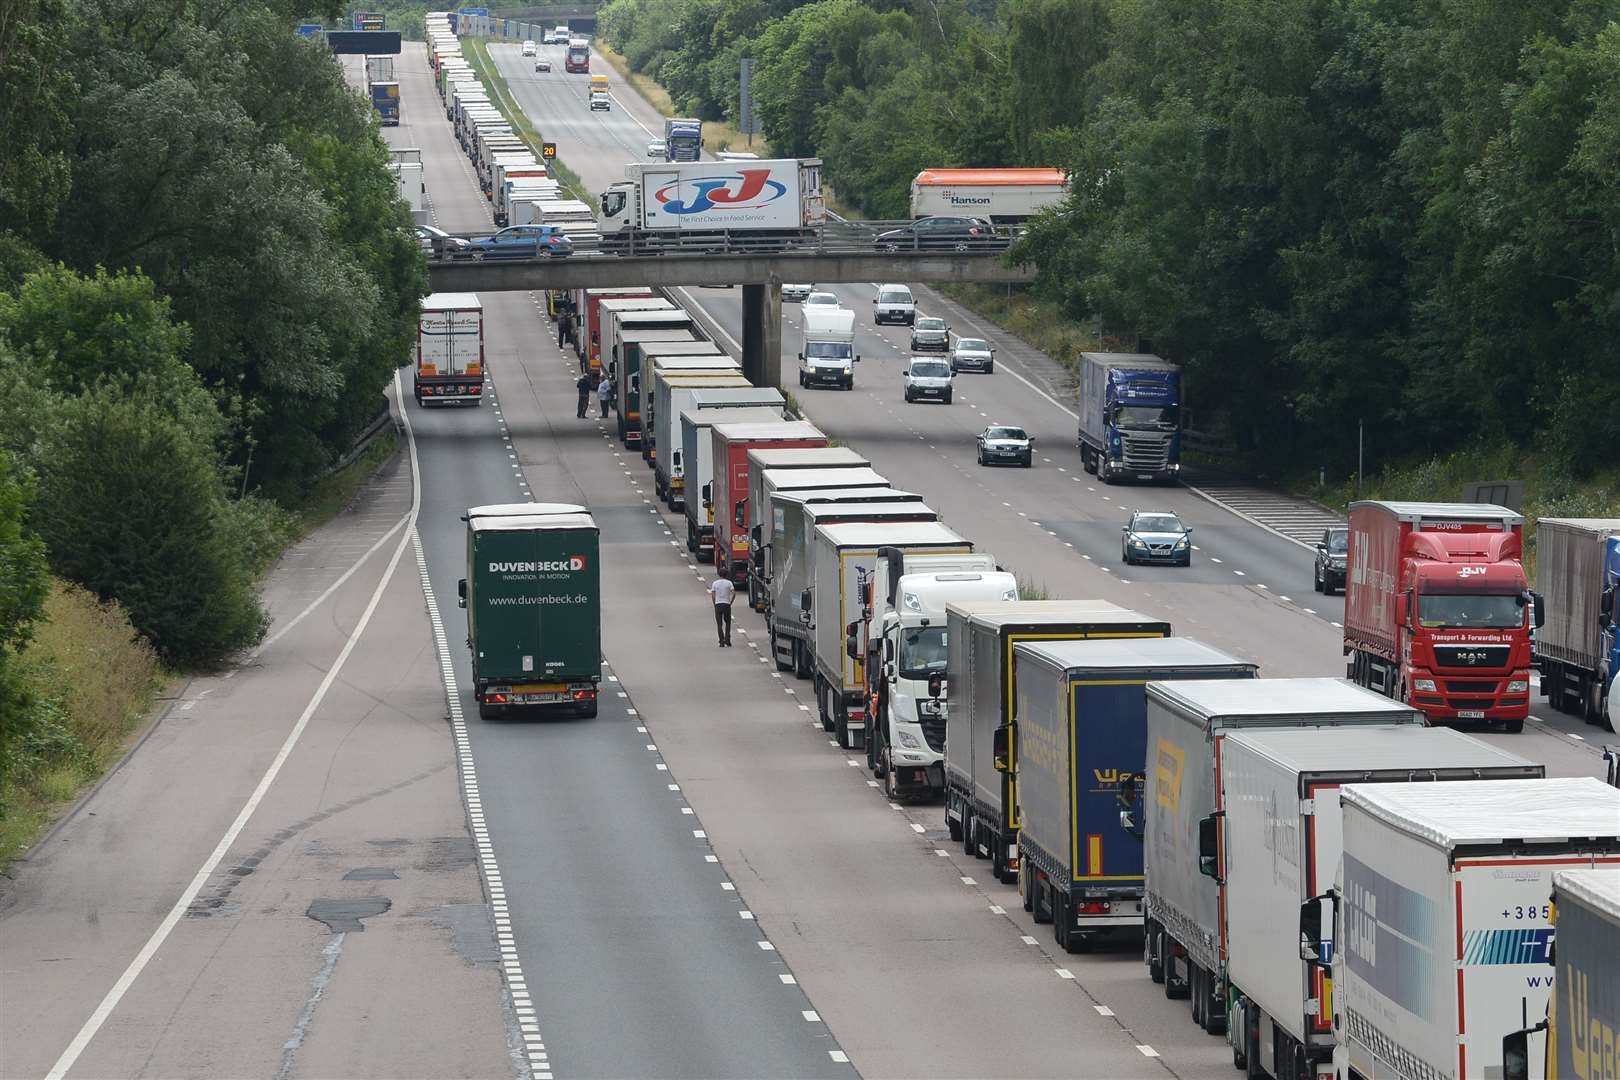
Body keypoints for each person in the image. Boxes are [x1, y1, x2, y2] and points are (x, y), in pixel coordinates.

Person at [709, 571, 735, 646]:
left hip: (718, 604)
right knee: (728, 623)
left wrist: (715, 603)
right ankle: (727, 639)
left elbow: (713, 595)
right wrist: (730, 602)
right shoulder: (729, 583)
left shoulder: (715, 583)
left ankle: (721, 641)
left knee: (719, 624)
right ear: (726, 575)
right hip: (726, 604)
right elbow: (734, 593)